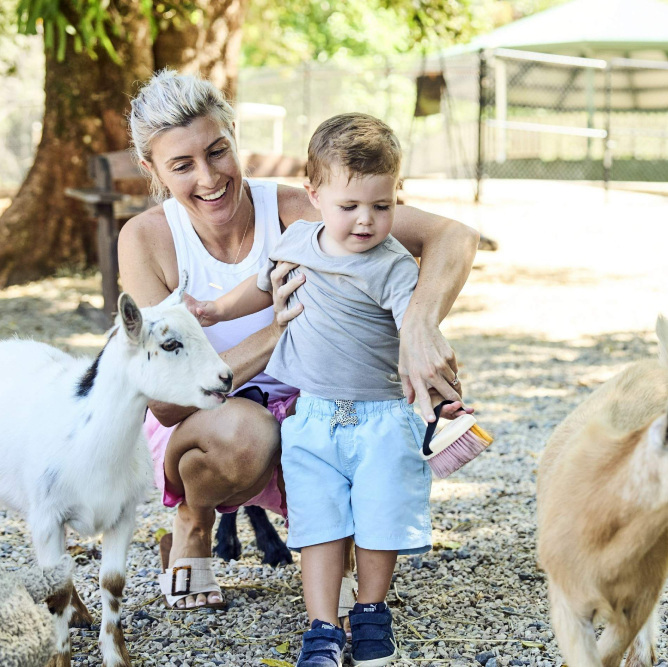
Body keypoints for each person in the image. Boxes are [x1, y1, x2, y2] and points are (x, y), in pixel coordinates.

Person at [118, 70, 480, 612]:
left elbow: (454, 235)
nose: (210, 177)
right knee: (248, 432)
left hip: (317, 403)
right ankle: (192, 520)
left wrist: (419, 330)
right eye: (182, 165)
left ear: (235, 135)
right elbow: (168, 404)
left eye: (218, 151)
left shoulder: (300, 208)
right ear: (152, 169)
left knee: (366, 457)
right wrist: (274, 334)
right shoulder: (145, 239)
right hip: (210, 424)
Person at [185, 113, 466, 667]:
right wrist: (217, 308)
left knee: (379, 517)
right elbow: (259, 286)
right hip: (312, 416)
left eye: (382, 207)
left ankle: (370, 613)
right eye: (350, 207)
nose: (366, 221)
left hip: (382, 415)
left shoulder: (394, 268)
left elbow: (419, 334)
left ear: (395, 198)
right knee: (318, 521)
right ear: (313, 196)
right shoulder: (295, 243)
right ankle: (321, 626)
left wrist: (438, 387)